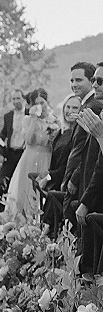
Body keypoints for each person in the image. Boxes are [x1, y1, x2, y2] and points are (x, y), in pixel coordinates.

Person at [69, 63, 103, 275]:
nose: (95, 85)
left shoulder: (95, 109)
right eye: (95, 80)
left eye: (100, 81)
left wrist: (87, 200)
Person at [4, 89, 58, 219]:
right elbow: (28, 140)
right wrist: (34, 119)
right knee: (23, 191)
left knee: (40, 193)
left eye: (42, 102)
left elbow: (55, 146)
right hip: (29, 158)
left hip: (46, 158)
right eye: (37, 103)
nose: (40, 106)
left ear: (47, 102)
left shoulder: (54, 121)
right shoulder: (27, 120)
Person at [61, 61, 99, 227]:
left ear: (91, 81)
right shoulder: (85, 104)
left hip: (85, 177)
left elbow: (88, 149)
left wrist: (75, 178)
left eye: (78, 80)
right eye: (71, 81)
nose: (74, 84)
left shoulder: (94, 106)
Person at [40, 94, 81, 235]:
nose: (70, 111)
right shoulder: (61, 132)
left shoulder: (78, 136)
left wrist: (49, 177)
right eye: (67, 107)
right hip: (56, 181)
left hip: (66, 184)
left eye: (75, 107)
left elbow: (67, 166)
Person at [0, 88, 28, 194]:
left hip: (24, 154)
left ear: (23, 99)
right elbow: (4, 133)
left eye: (18, 98)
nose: (15, 101)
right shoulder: (8, 116)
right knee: (3, 180)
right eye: (13, 99)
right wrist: (0, 142)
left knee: (20, 182)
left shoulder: (30, 114)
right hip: (10, 153)